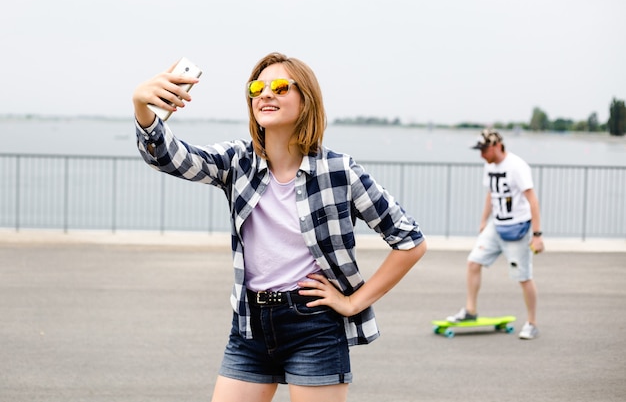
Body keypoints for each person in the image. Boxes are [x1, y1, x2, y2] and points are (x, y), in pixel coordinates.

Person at [131, 52, 427, 402]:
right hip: (249, 325)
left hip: (314, 325)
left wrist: (353, 303)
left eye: (281, 86)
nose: (266, 93)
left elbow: (409, 240)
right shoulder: (237, 162)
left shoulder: (339, 171)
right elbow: (169, 157)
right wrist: (142, 108)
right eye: (258, 87)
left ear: (306, 102)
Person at [446, 129, 544, 340]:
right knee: (473, 263)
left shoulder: (517, 166)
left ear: (497, 146)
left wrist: (537, 234)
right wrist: (484, 220)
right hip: (496, 225)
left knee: (523, 277)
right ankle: (470, 311)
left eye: (484, 150)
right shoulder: (489, 166)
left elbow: (532, 200)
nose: (482, 155)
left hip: (518, 227)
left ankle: (532, 322)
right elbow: (491, 193)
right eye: (479, 150)